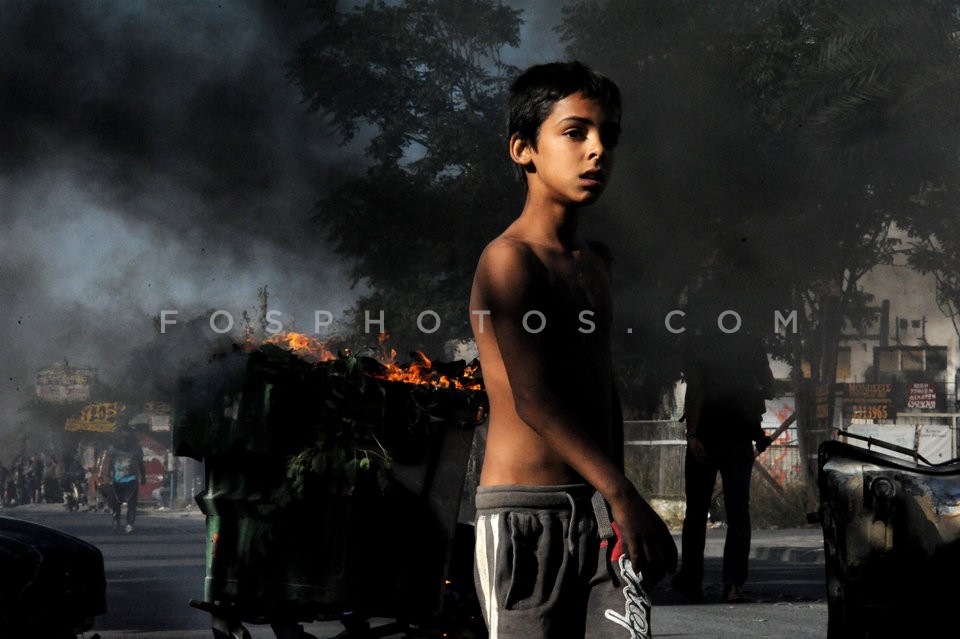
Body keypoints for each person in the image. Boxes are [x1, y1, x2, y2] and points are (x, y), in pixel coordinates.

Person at [469, 61, 677, 639]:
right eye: (575, 132)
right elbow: (534, 400)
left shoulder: (597, 264)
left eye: (608, 135)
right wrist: (624, 494)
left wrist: (619, 501)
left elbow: (602, 387)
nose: (597, 150)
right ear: (523, 150)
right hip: (523, 515)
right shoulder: (508, 260)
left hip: (600, 509)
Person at [671, 323, 776, 604]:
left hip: (706, 439)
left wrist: (693, 435)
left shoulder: (700, 345)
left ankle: (691, 581)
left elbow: (696, 390)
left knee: (696, 513)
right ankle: (733, 584)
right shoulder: (751, 345)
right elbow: (770, 387)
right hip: (739, 439)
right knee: (738, 514)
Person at [98, 424, 146, 533]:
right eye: (123, 437)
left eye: (127, 437)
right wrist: (107, 475)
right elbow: (108, 462)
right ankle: (116, 519)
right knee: (115, 503)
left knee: (132, 504)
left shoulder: (136, 449)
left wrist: (143, 476)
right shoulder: (113, 449)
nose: (125, 440)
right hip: (117, 480)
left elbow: (140, 463)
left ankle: (130, 524)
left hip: (132, 480)